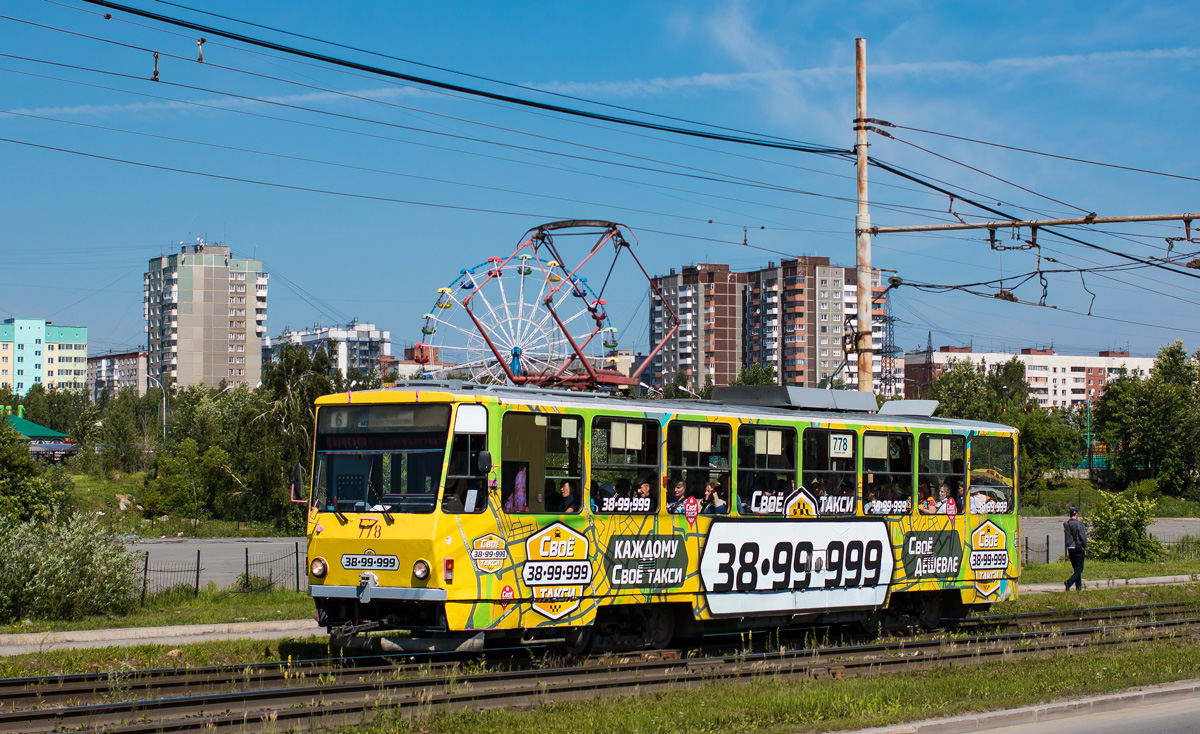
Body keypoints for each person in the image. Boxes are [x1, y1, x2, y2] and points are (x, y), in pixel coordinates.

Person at [1064, 507, 1087, 591]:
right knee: (1079, 569)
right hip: (1078, 547)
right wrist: (1085, 545)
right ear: (1076, 514)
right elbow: (1082, 536)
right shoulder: (1079, 524)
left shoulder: (1066, 524)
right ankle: (1069, 582)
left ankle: (1078, 587)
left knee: (1076, 569)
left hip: (1070, 548)